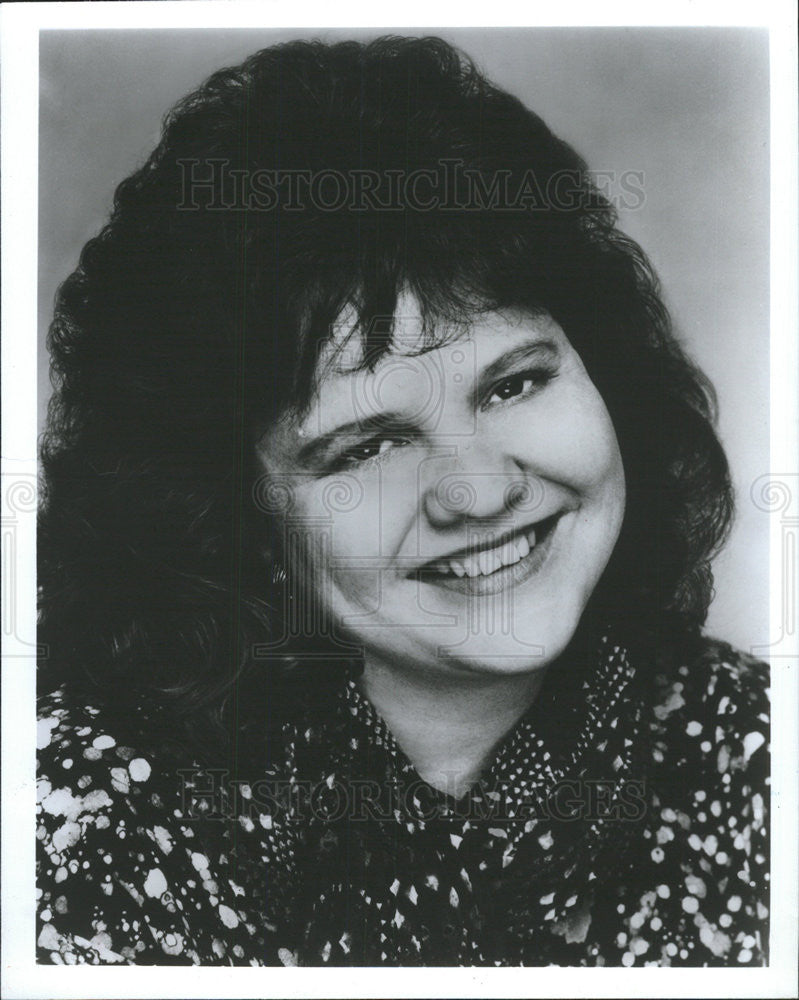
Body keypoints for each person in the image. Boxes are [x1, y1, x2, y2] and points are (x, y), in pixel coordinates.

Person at [36, 35, 769, 967]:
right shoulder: (74, 815)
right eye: (369, 446)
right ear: (230, 515)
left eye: (513, 385)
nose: (481, 489)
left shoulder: (756, 749)